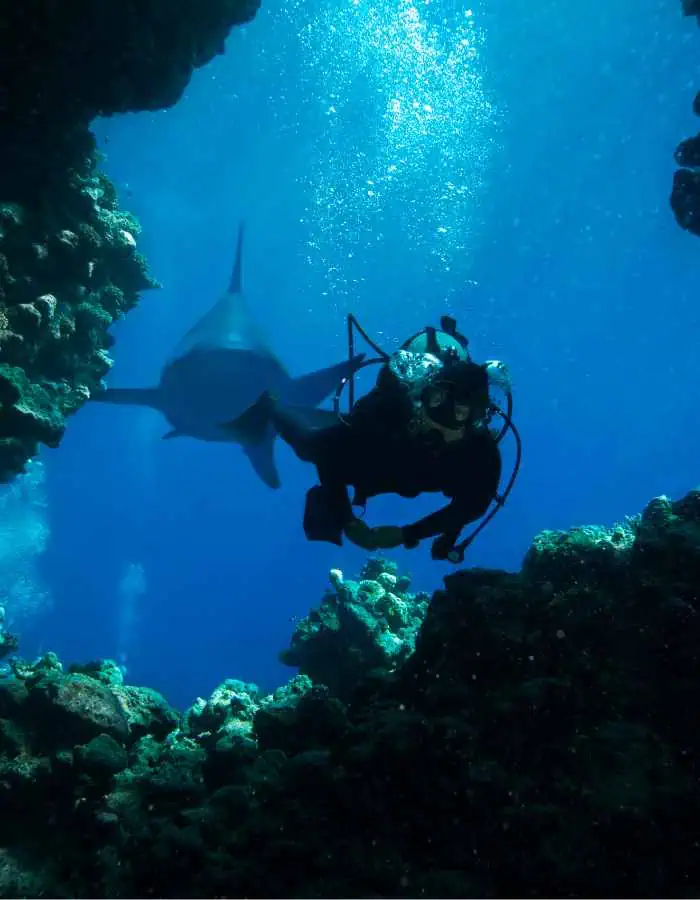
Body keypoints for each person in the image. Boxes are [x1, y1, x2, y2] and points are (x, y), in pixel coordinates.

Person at [246, 317, 509, 560]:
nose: (435, 416)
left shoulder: (479, 452)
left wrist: (408, 533)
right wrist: (346, 517)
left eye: (458, 414)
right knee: (308, 446)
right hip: (377, 456)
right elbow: (328, 453)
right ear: (426, 393)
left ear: (477, 420)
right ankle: (270, 405)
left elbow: (473, 504)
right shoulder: (390, 408)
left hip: (412, 471)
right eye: (434, 401)